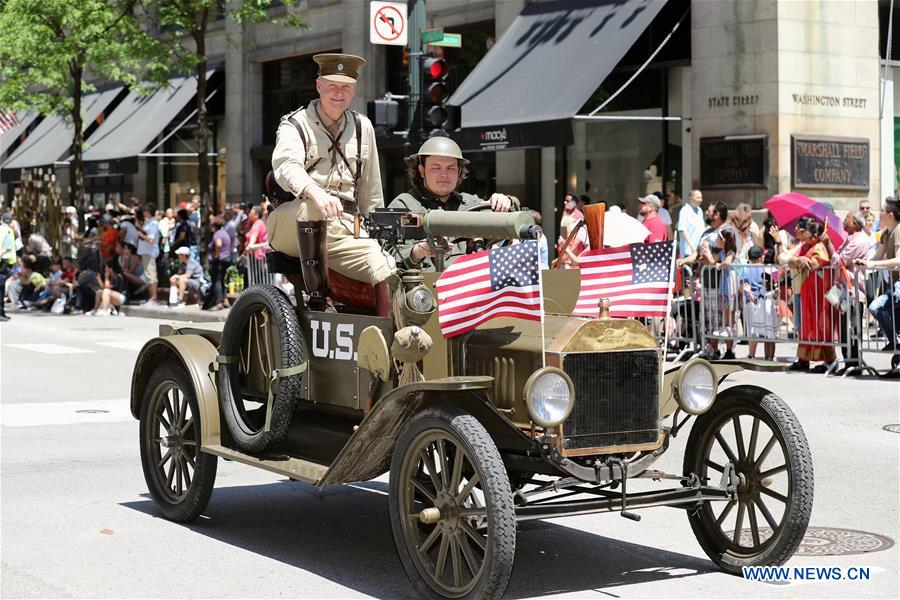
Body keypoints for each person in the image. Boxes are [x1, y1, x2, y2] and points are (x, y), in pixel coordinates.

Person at [269, 53, 395, 315]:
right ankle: (318, 299)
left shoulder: (363, 127)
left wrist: (378, 234)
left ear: (354, 90)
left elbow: (372, 190)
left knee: (386, 266)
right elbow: (286, 167)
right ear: (319, 86)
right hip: (292, 224)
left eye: (346, 87)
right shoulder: (295, 124)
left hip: (344, 230)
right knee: (312, 208)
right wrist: (315, 192)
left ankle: (390, 342)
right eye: (332, 85)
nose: (339, 93)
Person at [387, 136, 515, 270]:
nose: (444, 174)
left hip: (468, 284)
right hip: (423, 286)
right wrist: (418, 251)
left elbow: (513, 225)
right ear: (421, 170)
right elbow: (387, 255)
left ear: (459, 171)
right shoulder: (403, 205)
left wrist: (505, 203)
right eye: (436, 168)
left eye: (450, 168)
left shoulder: (471, 204)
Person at [786, 221, 837, 372]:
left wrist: (800, 261)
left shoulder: (820, 247)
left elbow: (814, 265)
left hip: (819, 293)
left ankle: (829, 360)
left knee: (820, 326)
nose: (803, 234)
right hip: (809, 291)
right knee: (806, 326)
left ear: (815, 236)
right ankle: (803, 359)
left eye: (806, 232)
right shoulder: (805, 246)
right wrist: (798, 260)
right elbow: (790, 261)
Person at [857, 197, 900, 354]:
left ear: (891, 214)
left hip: (898, 285)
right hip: (892, 284)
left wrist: (873, 265)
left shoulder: (898, 230)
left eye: (882, 210)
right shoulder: (885, 233)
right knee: (895, 321)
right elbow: (878, 256)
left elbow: (898, 260)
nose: (878, 214)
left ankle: (894, 342)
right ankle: (896, 355)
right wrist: (863, 262)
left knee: (876, 307)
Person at [740, 245, 777, 360]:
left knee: (752, 329)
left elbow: (742, 286)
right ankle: (769, 355)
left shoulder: (745, 269)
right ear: (761, 257)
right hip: (763, 301)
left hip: (750, 301)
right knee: (768, 329)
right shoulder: (765, 269)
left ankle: (751, 354)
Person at [205, 217, 232, 311]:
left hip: (219, 260)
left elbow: (218, 244)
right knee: (221, 281)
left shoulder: (217, 234)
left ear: (214, 226)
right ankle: (225, 300)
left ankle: (219, 302)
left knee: (216, 281)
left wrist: (216, 256)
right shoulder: (224, 233)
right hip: (226, 259)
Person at [136, 203, 160, 305]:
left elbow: (151, 239)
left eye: (145, 211)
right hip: (146, 251)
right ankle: (152, 297)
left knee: (151, 275)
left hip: (149, 252)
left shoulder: (153, 224)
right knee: (148, 274)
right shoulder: (149, 223)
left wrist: (141, 235)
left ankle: (153, 298)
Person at [555, 193, 587, 268]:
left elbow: (577, 241)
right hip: (564, 247)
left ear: (574, 203)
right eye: (565, 200)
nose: (565, 202)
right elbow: (563, 231)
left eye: (568, 201)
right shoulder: (565, 212)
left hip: (572, 252)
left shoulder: (579, 216)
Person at [676, 189, 705, 259]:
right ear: (691, 198)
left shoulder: (700, 210)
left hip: (699, 250)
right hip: (689, 251)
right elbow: (682, 230)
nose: (700, 200)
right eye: (698, 197)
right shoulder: (685, 210)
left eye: (701, 198)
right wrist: (691, 246)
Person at [0, 213, 16, 321]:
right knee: (1, 288)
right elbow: (6, 247)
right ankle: (1, 312)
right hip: (3, 262)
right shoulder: (9, 231)